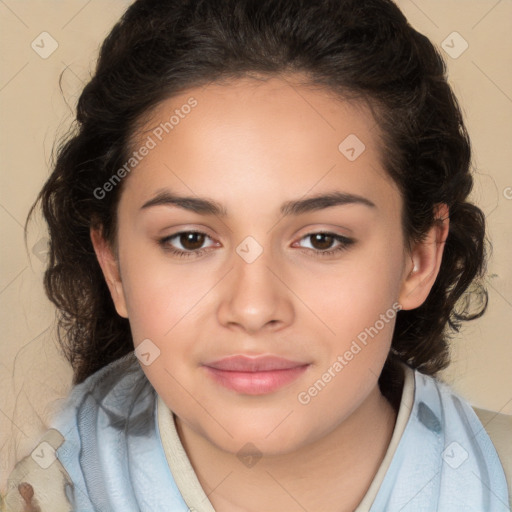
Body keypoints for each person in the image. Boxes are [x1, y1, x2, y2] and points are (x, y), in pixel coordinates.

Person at [3, 0, 511, 510]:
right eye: (190, 239)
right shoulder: (44, 493)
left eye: (321, 239)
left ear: (419, 258)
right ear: (113, 265)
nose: (252, 308)